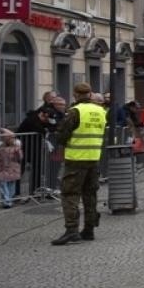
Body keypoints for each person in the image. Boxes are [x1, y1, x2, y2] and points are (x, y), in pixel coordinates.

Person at [53, 82, 106, 245]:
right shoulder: (101, 111)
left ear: (75, 94)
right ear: (90, 94)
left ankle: (71, 230)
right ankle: (89, 229)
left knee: (70, 194)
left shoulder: (75, 111)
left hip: (76, 159)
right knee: (90, 194)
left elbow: (62, 135)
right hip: (94, 158)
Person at [18, 94, 59, 200]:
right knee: (19, 170)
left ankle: (35, 191)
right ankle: (16, 193)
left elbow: (54, 127)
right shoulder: (31, 119)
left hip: (35, 147)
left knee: (37, 169)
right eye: (47, 120)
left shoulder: (46, 117)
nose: (47, 122)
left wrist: (49, 127)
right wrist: (47, 129)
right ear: (43, 115)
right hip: (22, 147)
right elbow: (41, 130)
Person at [0, 129, 23, 207]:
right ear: (6, 139)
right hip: (2, 169)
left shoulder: (16, 148)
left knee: (12, 186)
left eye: (14, 138)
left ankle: (9, 199)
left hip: (13, 169)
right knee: (3, 185)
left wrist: (18, 151)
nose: (13, 140)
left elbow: (19, 158)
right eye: (11, 138)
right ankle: (6, 201)